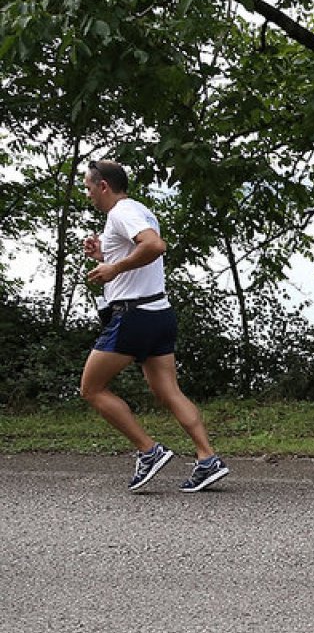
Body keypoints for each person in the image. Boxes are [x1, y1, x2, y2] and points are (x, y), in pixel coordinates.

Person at [79, 160, 229, 493]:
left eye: (88, 187)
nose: (87, 194)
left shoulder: (121, 212)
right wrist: (104, 255)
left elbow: (155, 246)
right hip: (159, 313)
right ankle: (207, 459)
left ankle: (149, 451)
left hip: (133, 316)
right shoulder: (139, 210)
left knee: (91, 389)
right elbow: (139, 251)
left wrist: (114, 268)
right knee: (168, 391)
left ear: (103, 186)